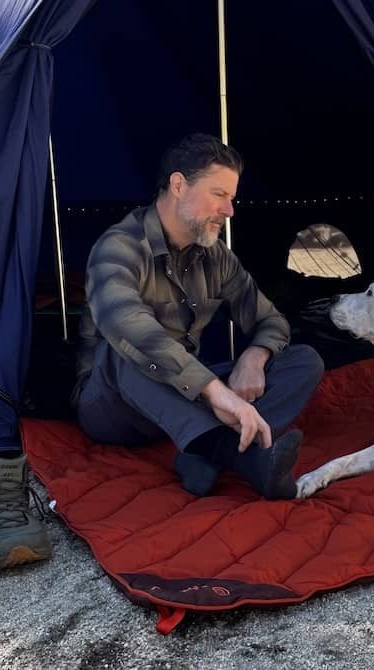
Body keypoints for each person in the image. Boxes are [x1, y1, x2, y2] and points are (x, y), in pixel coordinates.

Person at [72, 133, 324, 499]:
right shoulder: (120, 246)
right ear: (178, 185)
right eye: (218, 195)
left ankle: (200, 457)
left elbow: (271, 319)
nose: (229, 210)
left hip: (184, 397)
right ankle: (239, 457)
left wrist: (255, 357)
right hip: (113, 405)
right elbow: (126, 324)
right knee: (127, 347)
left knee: (305, 361)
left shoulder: (216, 256)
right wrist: (216, 392)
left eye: (232, 199)